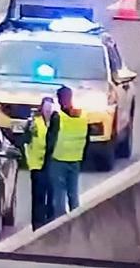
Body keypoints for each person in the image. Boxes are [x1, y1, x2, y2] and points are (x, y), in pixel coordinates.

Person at [46, 85, 88, 214]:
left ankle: (60, 224)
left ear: (59, 100)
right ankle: (76, 220)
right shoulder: (82, 116)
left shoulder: (58, 118)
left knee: (59, 196)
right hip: (75, 159)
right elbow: (87, 139)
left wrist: (47, 157)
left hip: (59, 159)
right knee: (73, 194)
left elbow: (50, 140)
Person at [22, 96, 56, 229]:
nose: (47, 112)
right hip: (37, 165)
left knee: (52, 195)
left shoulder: (57, 121)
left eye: (50, 109)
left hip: (52, 163)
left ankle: (51, 222)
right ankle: (38, 224)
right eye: (46, 109)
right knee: (38, 197)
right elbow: (25, 140)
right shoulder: (34, 123)